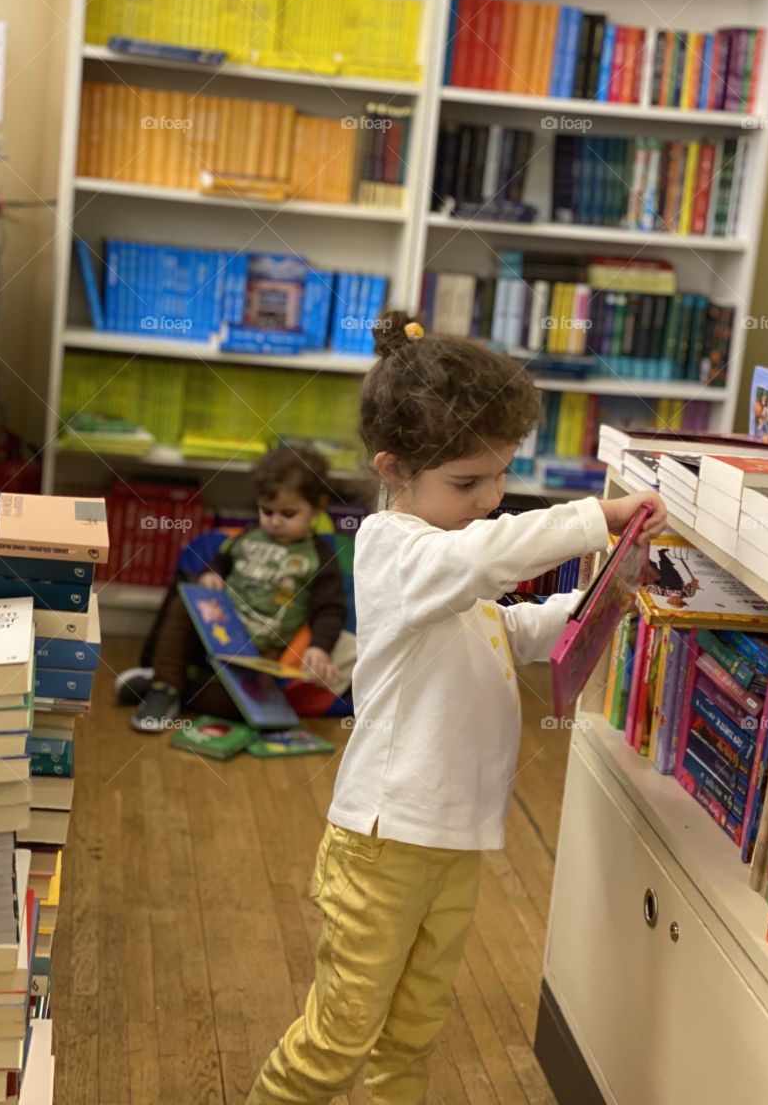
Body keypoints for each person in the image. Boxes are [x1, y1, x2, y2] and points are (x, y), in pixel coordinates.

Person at [245, 313, 667, 1104]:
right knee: (337, 1040)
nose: (490, 499)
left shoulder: (448, 569)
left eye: (501, 475)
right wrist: (593, 517)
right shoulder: (396, 549)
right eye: (468, 484)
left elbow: (501, 631)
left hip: (453, 842)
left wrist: (602, 599)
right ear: (394, 469)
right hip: (381, 846)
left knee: (411, 1032)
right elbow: (482, 557)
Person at [116, 445, 351, 732]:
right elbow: (217, 564)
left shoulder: (320, 556)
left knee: (249, 707)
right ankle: (164, 688)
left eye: (288, 514)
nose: (274, 521)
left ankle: (169, 685)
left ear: (317, 508)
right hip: (216, 631)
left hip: (258, 654)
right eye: (267, 511)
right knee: (185, 597)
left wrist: (319, 647)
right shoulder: (246, 537)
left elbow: (330, 608)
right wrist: (210, 576)